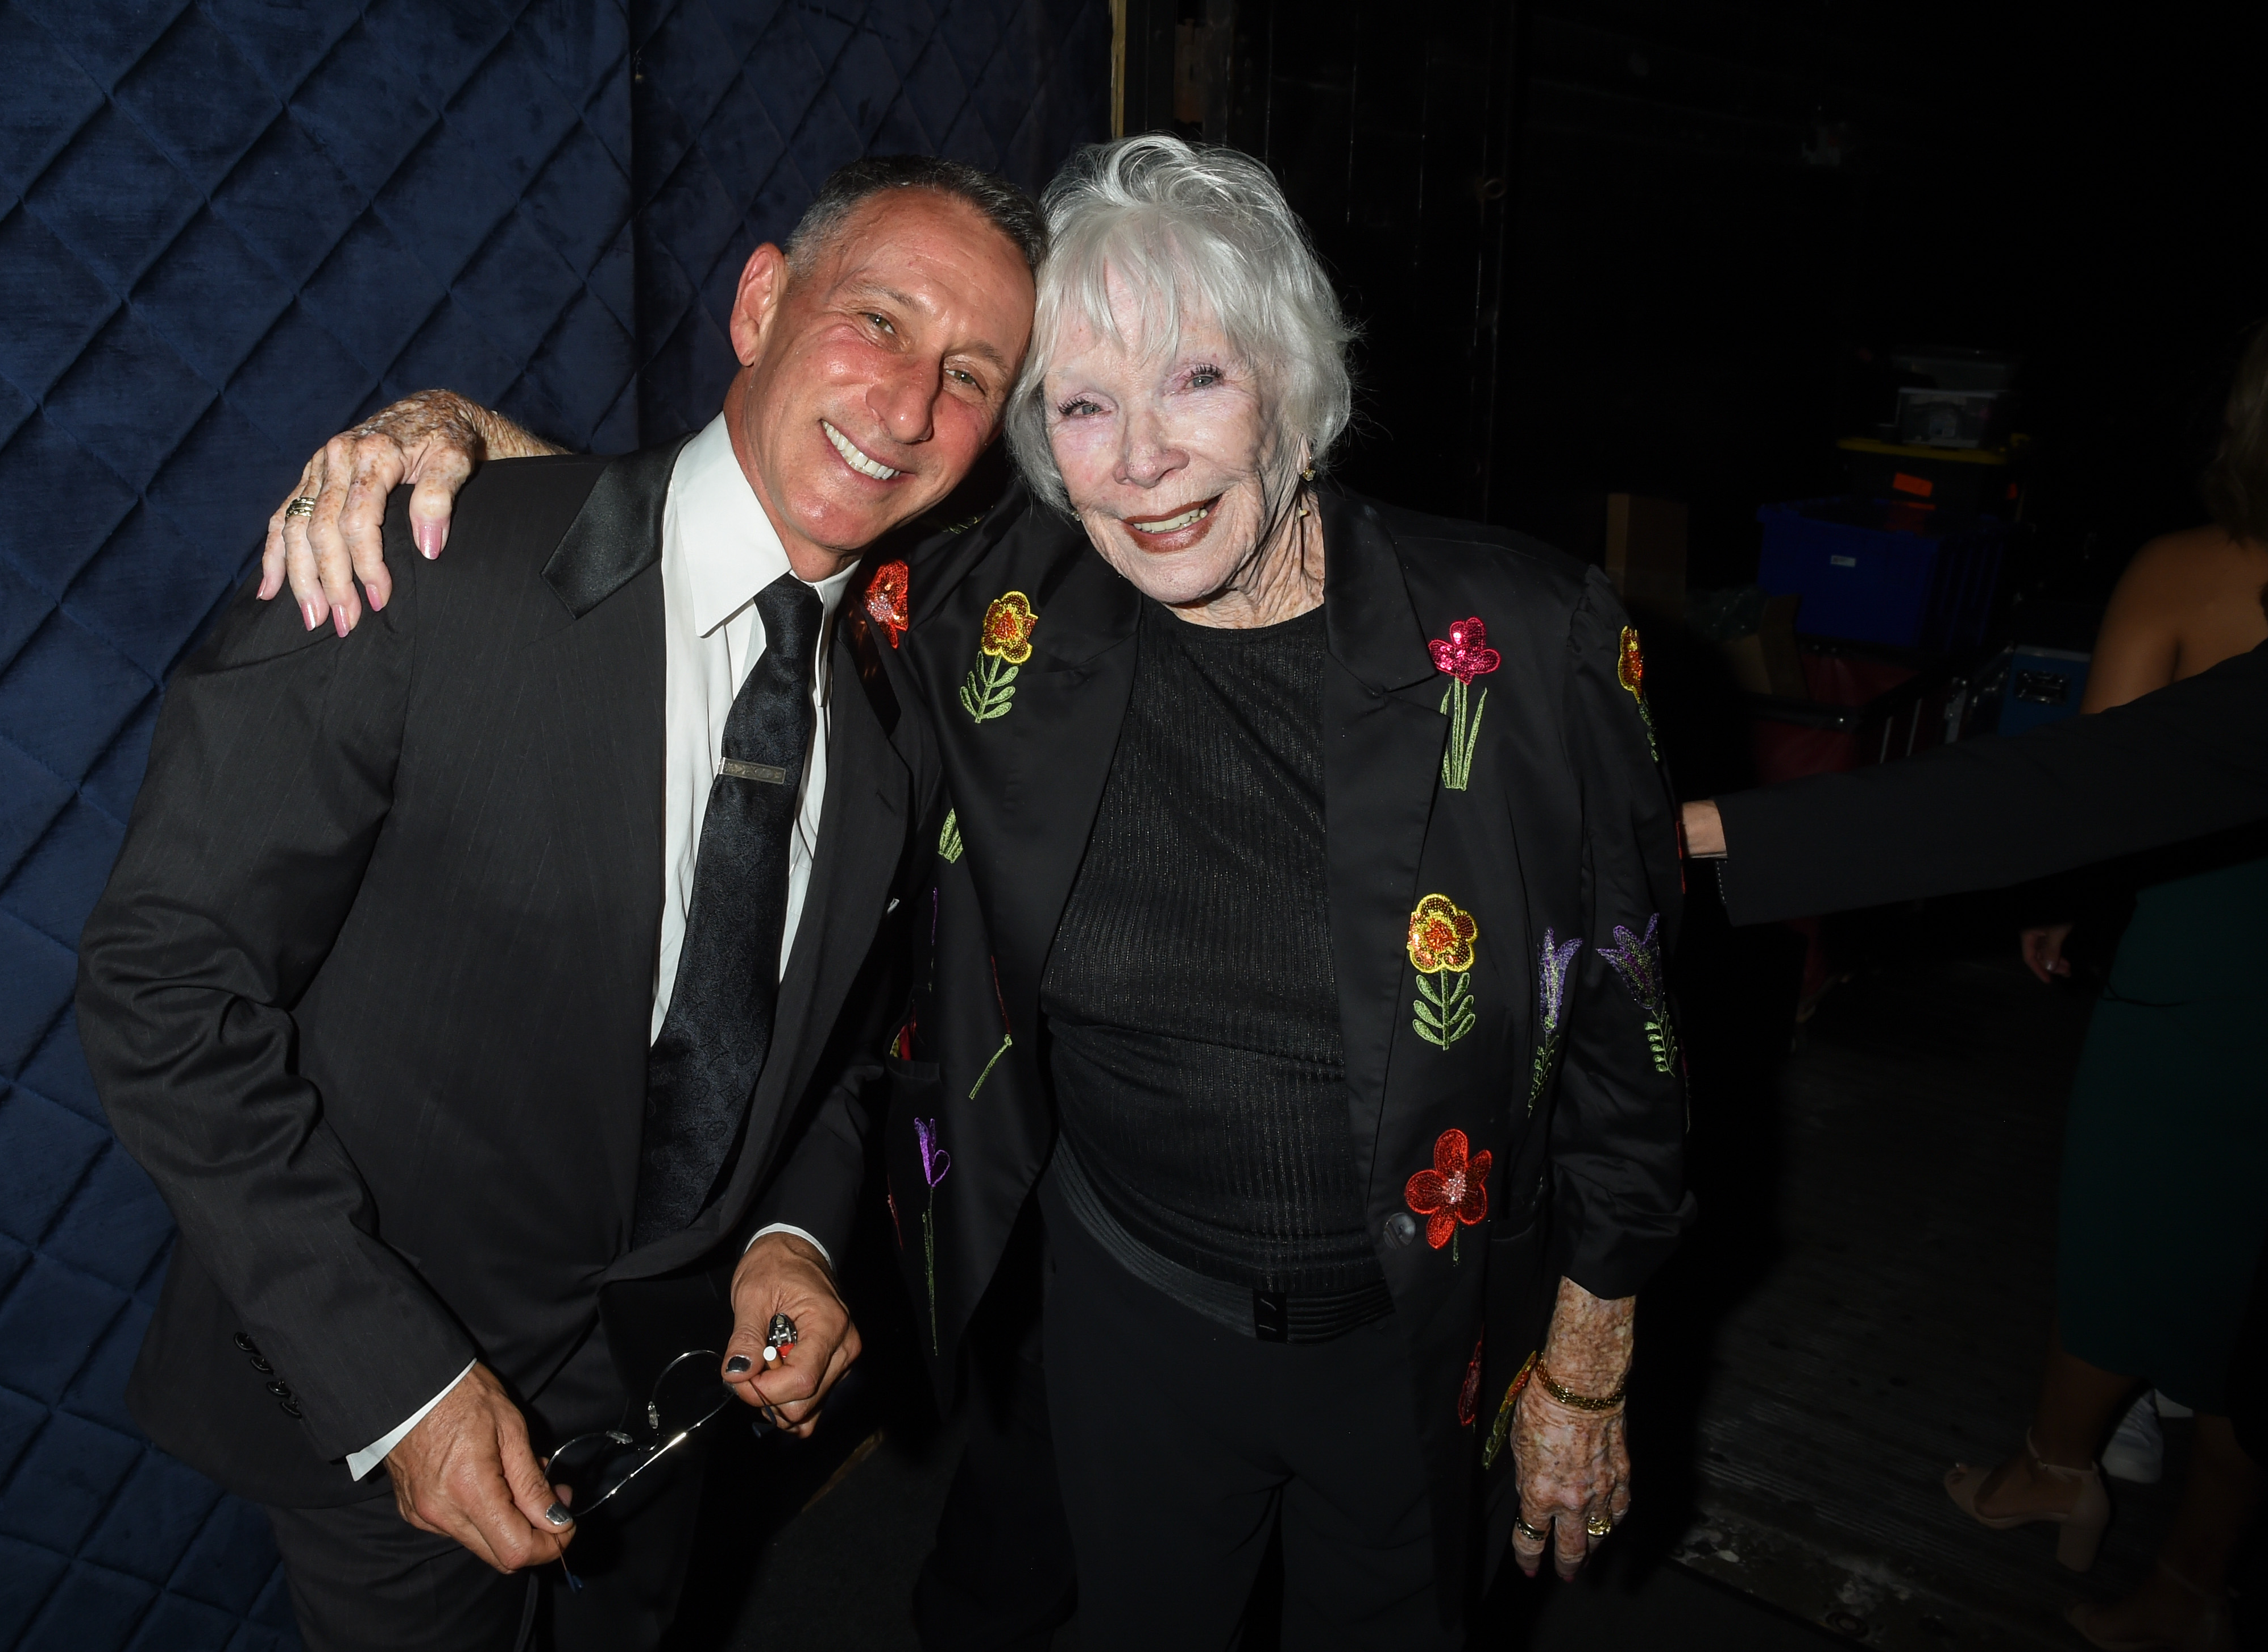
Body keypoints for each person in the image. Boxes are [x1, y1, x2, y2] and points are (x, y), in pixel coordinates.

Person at [267, 135, 1691, 1650]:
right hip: (1129, 1315)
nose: (1136, 462)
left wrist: (1591, 1355)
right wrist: (457, 434)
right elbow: (735, 523)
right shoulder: (995, 614)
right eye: (1081, 406)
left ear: (1292, 382)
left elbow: (1628, 1020)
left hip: (1424, 1330)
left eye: (1194, 381)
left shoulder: (1524, 637)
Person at [76, 155, 1040, 1651]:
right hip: (377, 1412)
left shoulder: (889, 744)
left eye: (969, 372)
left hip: (664, 1434)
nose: (909, 404)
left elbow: (826, 1057)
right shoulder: (419, 554)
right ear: (762, 302)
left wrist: (793, 1240)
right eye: (877, 320)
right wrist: (399, 1386)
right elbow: (161, 983)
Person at [1689, 325, 2268, 1652]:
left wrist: (1696, 832)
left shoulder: (2188, 570)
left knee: (2125, 1226)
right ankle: (2188, 1582)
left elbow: (2082, 791)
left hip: (2194, 973)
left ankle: (2056, 1466)